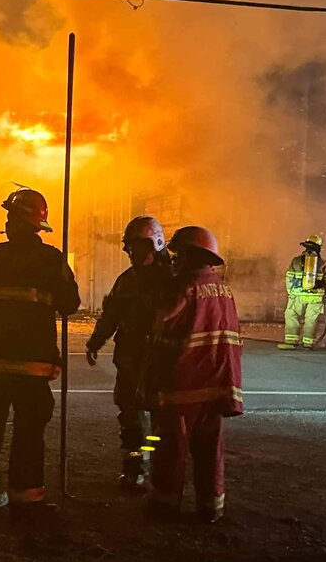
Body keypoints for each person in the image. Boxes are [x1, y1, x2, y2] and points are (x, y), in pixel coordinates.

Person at [0, 187, 81, 526]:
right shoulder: (51, 260)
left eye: (9, 216)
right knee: (29, 432)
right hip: (33, 364)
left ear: (17, 222)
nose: (6, 222)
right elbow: (70, 304)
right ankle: (25, 497)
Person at [145, 226, 243, 524]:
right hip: (216, 386)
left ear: (191, 255)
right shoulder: (224, 290)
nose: (174, 260)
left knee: (170, 448)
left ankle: (164, 504)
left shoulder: (183, 286)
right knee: (210, 451)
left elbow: (159, 321)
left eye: (178, 254)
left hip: (183, 385)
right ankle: (211, 507)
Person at [85, 216, 174, 490]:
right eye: (129, 248)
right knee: (131, 421)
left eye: (135, 247)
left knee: (163, 423)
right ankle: (134, 470)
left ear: (154, 245)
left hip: (162, 363)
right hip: (131, 361)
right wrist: (95, 341)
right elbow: (112, 314)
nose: (129, 253)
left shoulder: (173, 279)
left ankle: (163, 474)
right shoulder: (127, 280)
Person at [278, 235, 326, 350]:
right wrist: (325, 295)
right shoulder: (322, 263)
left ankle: (291, 342)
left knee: (292, 316)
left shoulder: (296, 261)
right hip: (316, 297)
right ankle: (308, 343)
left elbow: (289, 278)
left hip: (298, 295)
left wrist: (290, 292)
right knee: (311, 319)